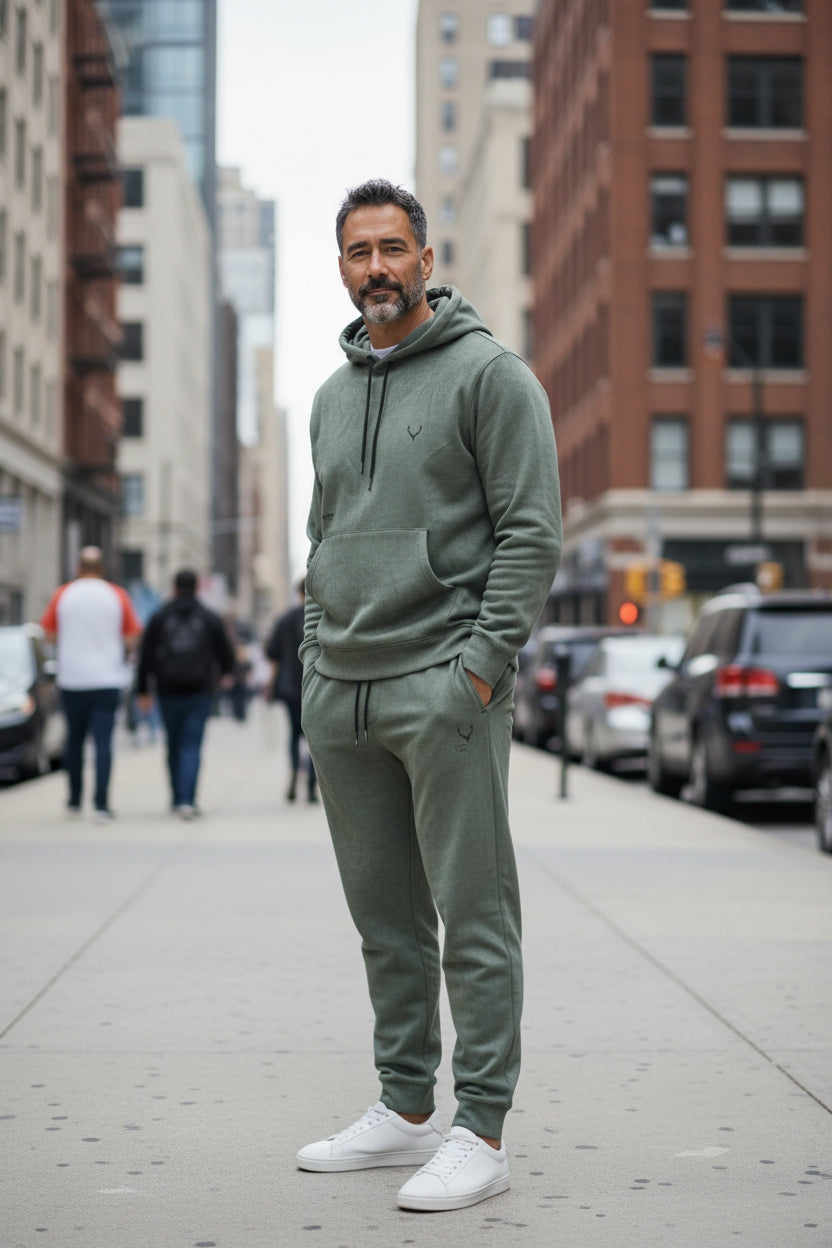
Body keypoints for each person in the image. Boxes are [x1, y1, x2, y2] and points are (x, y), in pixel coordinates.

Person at [296, 180, 562, 1212]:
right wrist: (318, 660)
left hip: (444, 684)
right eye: (358, 251)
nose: (377, 267)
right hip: (344, 694)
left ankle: (480, 1128)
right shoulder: (327, 396)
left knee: (473, 911)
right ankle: (405, 1107)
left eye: (393, 248)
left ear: (425, 256)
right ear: (342, 265)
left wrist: (479, 669)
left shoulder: (490, 377)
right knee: (385, 920)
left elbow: (531, 532)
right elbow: (319, 540)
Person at [40, 546, 142, 821]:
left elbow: (48, 635)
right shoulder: (117, 595)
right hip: (107, 678)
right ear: (102, 569)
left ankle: (74, 799)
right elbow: (132, 636)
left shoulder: (63, 594)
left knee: (73, 740)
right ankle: (101, 804)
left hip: (72, 678)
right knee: (103, 742)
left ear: (78, 568)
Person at [136, 569, 234, 819]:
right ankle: (188, 800)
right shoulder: (209, 617)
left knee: (172, 743)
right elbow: (226, 654)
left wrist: (142, 689)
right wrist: (223, 676)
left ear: (174, 587)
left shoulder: (159, 616)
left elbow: (145, 655)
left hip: (167, 690)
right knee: (192, 745)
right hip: (199, 691)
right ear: (197, 587)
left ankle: (176, 796)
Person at [265, 579, 317, 803]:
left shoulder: (285, 619)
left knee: (294, 735)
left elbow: (272, 655)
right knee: (314, 737)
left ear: (298, 593)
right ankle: (313, 786)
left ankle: (295, 771)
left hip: (289, 687)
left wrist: (270, 684)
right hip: (315, 686)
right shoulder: (322, 617)